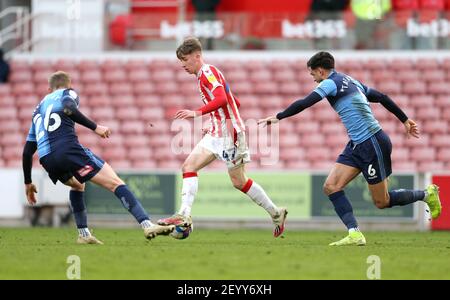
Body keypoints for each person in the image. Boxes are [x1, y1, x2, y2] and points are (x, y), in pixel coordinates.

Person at [258, 51, 442, 246]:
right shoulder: (351, 80)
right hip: (356, 144)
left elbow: (305, 102)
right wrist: (404, 119)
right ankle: (354, 233)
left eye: (313, 75)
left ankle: (426, 194)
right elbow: (382, 97)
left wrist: (279, 116)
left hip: (372, 142)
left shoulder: (329, 83)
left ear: (320, 71)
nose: (313, 80)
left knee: (382, 201)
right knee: (331, 187)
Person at [22, 71, 174, 244]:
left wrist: (28, 182)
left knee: (78, 185)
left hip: (47, 159)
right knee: (115, 182)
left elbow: (27, 151)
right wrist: (95, 127)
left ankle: (84, 235)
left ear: (48, 89)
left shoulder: (37, 110)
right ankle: (147, 224)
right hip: (68, 150)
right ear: (69, 85)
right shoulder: (67, 93)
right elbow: (68, 108)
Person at [157, 37, 288, 237]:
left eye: (184, 59)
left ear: (197, 56)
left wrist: (197, 113)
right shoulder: (205, 74)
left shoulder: (207, 73)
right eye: (180, 60)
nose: (182, 64)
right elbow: (235, 101)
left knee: (238, 181)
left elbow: (222, 99)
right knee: (188, 167)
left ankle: (275, 212)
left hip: (230, 133)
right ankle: (183, 215)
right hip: (219, 131)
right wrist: (216, 120)